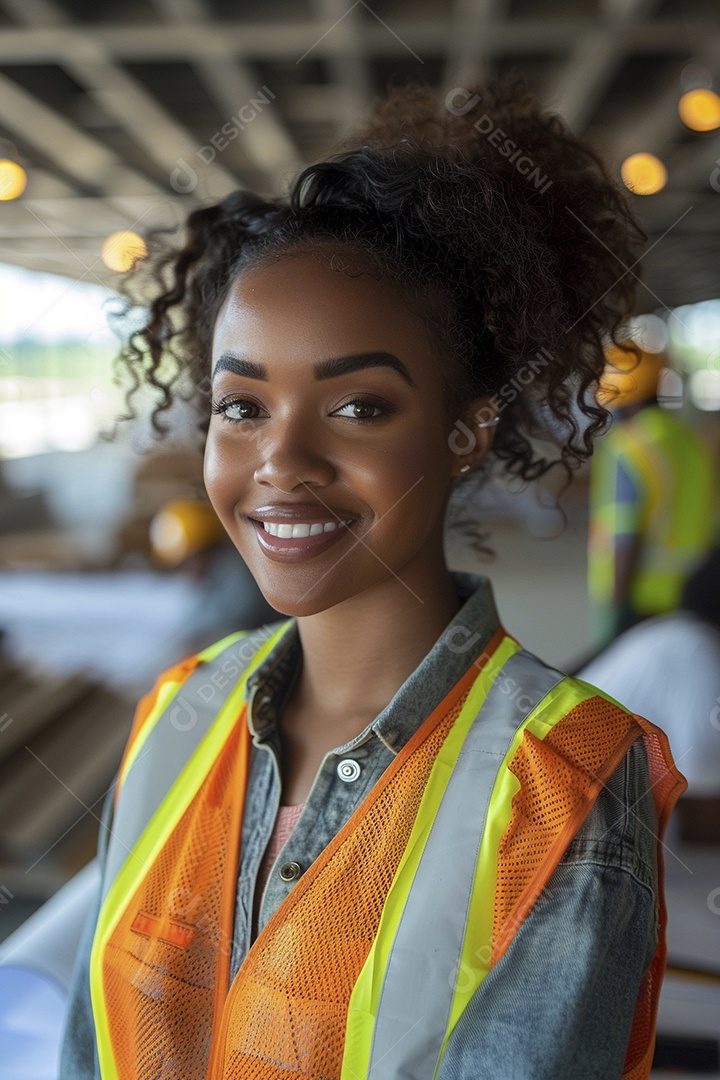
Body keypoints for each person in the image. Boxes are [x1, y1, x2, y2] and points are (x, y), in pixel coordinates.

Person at [60, 76, 686, 1079]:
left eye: (358, 408)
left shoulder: (554, 785)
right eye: (243, 406)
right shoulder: (179, 715)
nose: (281, 462)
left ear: (466, 427)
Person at [587, 343, 716, 648]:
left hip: (641, 600)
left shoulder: (628, 448)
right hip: (694, 593)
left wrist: (616, 611)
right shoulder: (689, 441)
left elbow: (625, 534)